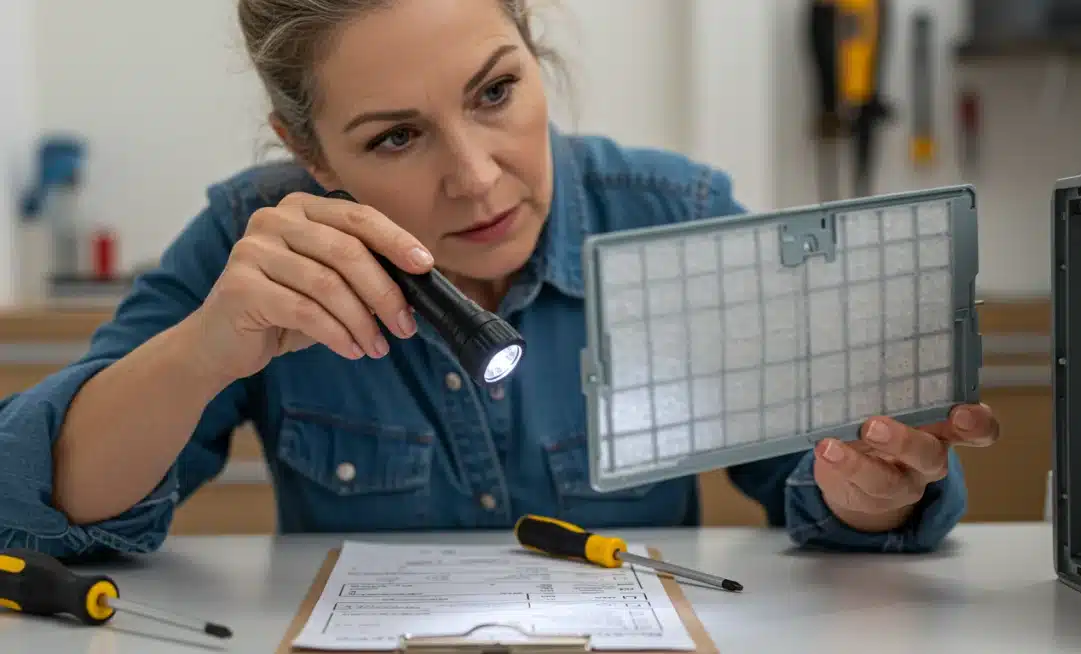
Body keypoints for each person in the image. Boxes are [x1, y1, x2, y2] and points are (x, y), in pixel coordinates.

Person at [0, 0, 998, 560]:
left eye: (495, 92)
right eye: (394, 136)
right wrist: (206, 349)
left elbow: (817, 481)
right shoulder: (249, 241)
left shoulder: (672, 210)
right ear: (309, 153)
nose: (476, 178)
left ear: (533, 48)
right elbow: (36, 502)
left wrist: (873, 492)